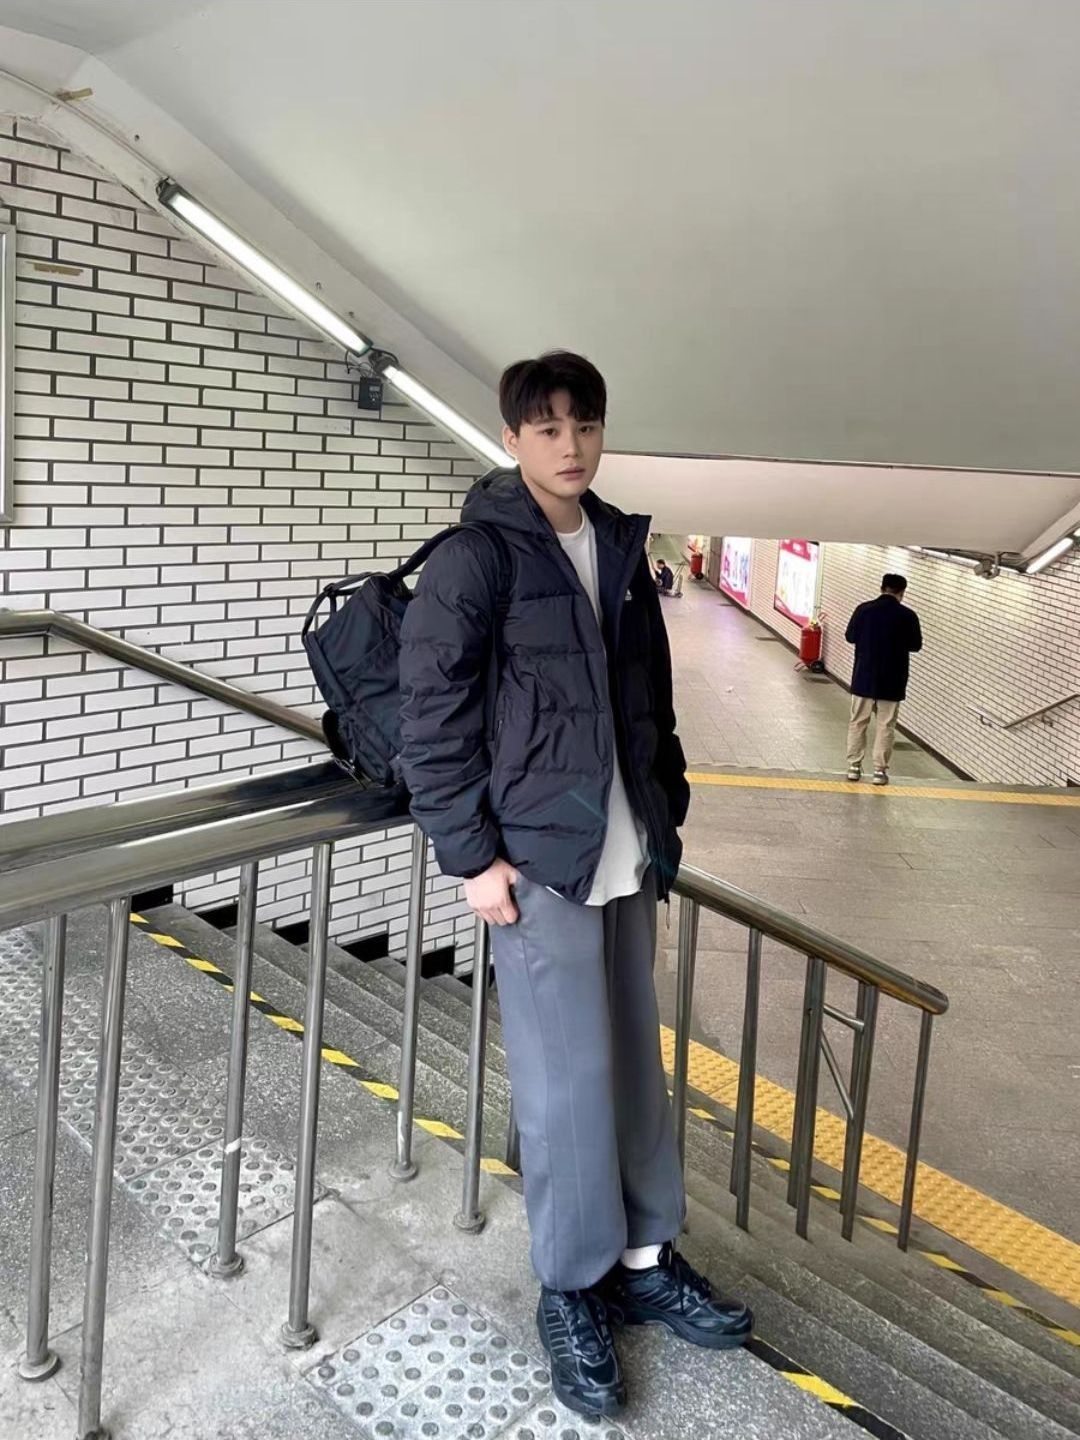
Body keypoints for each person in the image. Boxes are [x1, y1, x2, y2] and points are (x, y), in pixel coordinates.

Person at [398, 351, 752, 1418]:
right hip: (538, 869)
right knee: (562, 1084)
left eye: (585, 424)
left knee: (636, 1066)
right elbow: (432, 717)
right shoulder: (476, 558)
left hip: (628, 853)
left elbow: (650, 697)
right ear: (511, 438)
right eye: (547, 427)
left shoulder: (621, 545)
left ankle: (644, 1260)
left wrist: (666, 804)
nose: (570, 444)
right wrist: (472, 857)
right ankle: (570, 1284)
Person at [844, 573, 923, 786]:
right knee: (886, 725)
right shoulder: (908, 616)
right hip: (893, 680)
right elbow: (915, 645)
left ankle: (854, 766)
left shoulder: (863, 610)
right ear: (902, 593)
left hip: (864, 677)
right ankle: (879, 771)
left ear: (882, 588)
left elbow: (850, 636)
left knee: (858, 722)